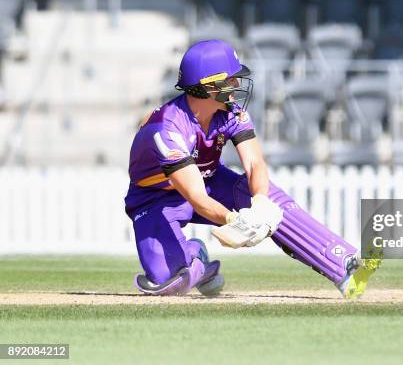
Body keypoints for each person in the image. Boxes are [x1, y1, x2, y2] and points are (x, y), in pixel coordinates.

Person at [124, 39, 381, 298]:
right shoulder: (167, 128)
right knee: (171, 282)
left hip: (211, 180)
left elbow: (254, 163)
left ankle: (344, 264)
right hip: (154, 200)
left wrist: (258, 203)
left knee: (270, 199)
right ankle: (195, 256)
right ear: (207, 86)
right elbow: (196, 197)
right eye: (231, 80)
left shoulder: (232, 112)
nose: (236, 86)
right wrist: (236, 221)